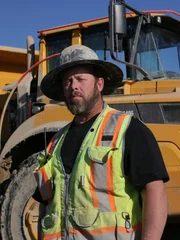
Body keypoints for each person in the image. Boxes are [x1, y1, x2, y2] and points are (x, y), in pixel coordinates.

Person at [33, 44, 169, 240]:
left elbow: (154, 190)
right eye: (67, 82)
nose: (74, 87)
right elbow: (45, 205)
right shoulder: (55, 143)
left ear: (99, 84)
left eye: (80, 79)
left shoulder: (128, 129)